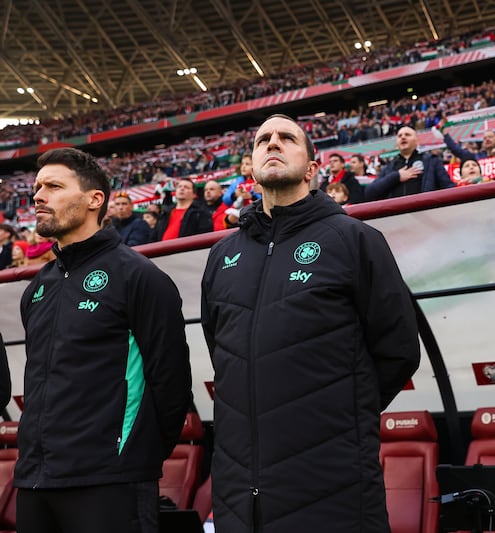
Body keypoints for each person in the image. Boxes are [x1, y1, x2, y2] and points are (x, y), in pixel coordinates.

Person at [201, 114, 420, 532]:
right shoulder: (222, 256)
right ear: (251, 165)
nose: (273, 143)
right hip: (238, 492)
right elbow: (223, 350)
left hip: (332, 486)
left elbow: (399, 350)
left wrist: (339, 411)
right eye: (263, 139)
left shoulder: (354, 240)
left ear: (313, 168)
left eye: (287, 138)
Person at [16, 147, 192, 533]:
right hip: (34, 481)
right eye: (37, 187)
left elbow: (172, 384)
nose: (38, 196)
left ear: (95, 200)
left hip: (109, 482)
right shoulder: (37, 290)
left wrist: (130, 459)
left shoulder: (139, 278)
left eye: (54, 186)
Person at [365, 126, 454, 200]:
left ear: (417, 141)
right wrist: (396, 177)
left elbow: (448, 188)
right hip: (396, 217)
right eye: (399, 136)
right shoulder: (389, 168)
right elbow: (369, 193)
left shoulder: (432, 161)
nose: (403, 137)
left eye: (407, 135)